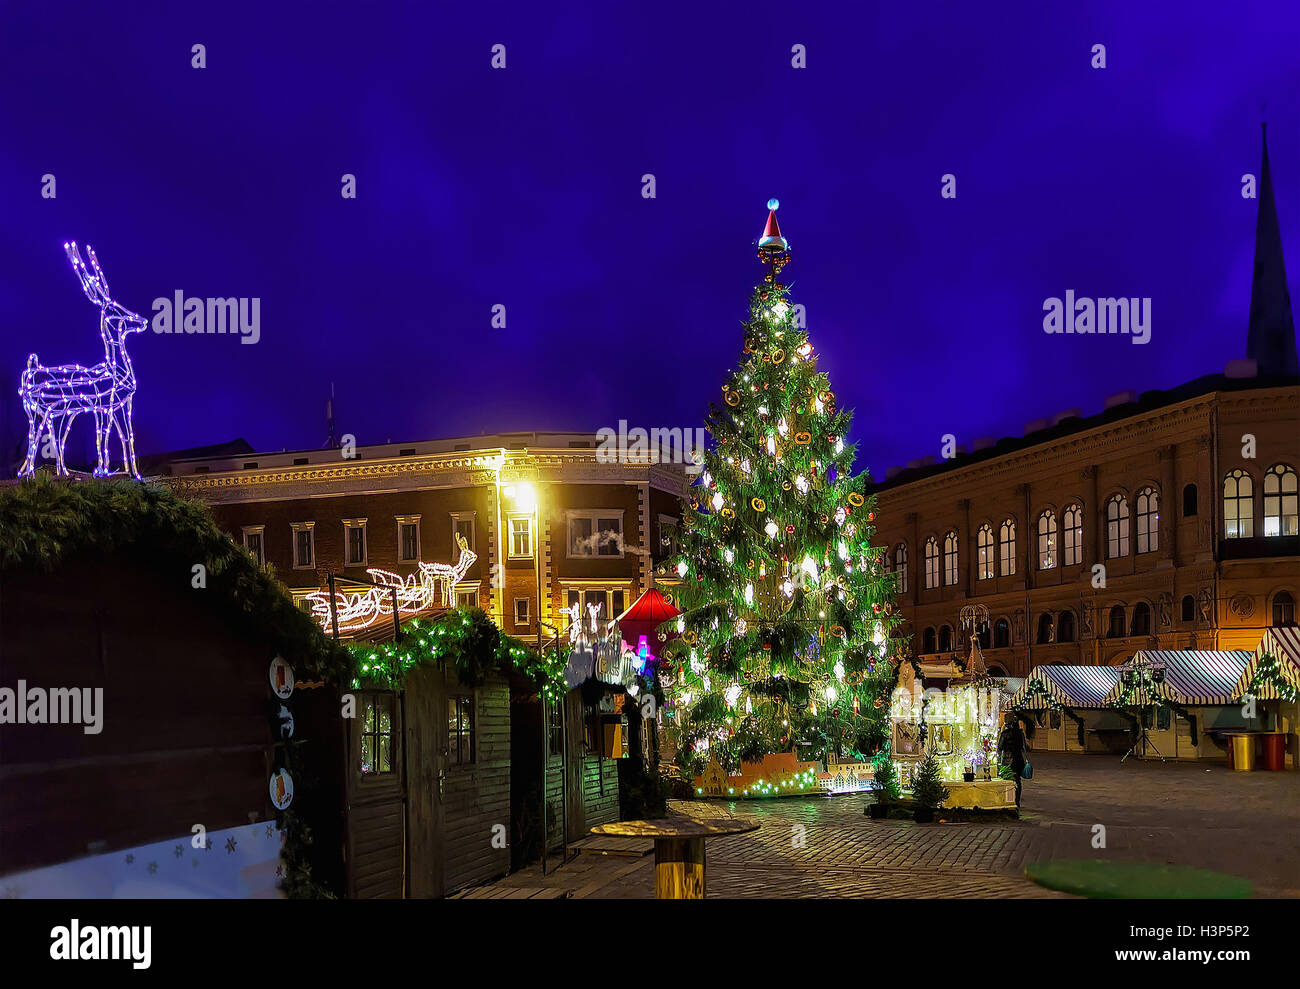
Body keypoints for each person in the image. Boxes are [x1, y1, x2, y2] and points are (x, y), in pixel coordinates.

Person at [998, 713, 1029, 808]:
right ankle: (1017, 801)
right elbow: (1024, 747)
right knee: (1018, 781)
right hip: (1019, 759)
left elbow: (1000, 747)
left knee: (1009, 780)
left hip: (1008, 760)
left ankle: (1010, 800)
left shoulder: (1005, 733)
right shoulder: (1020, 733)